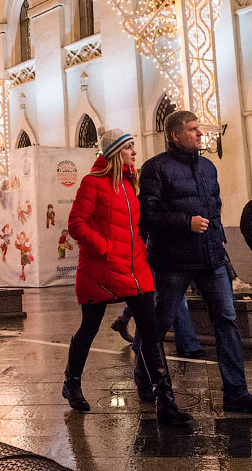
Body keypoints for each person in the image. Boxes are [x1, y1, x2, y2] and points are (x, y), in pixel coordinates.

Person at [138, 110, 252, 414]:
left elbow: (214, 205)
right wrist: (185, 222)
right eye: (193, 129)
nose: (200, 134)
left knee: (226, 320)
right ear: (175, 136)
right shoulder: (155, 168)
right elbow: (147, 215)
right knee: (160, 322)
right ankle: (144, 377)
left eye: (199, 128)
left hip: (210, 258)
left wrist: (216, 233)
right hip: (173, 260)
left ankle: (236, 393)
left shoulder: (208, 167)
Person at [62, 128, 190, 425]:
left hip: (134, 268)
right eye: (129, 147)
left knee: (151, 328)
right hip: (101, 269)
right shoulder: (91, 183)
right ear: (115, 152)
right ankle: (72, 381)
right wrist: (105, 249)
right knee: (89, 328)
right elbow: (76, 224)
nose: (135, 152)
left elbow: (134, 226)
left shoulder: (130, 185)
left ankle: (165, 399)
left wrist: (140, 248)